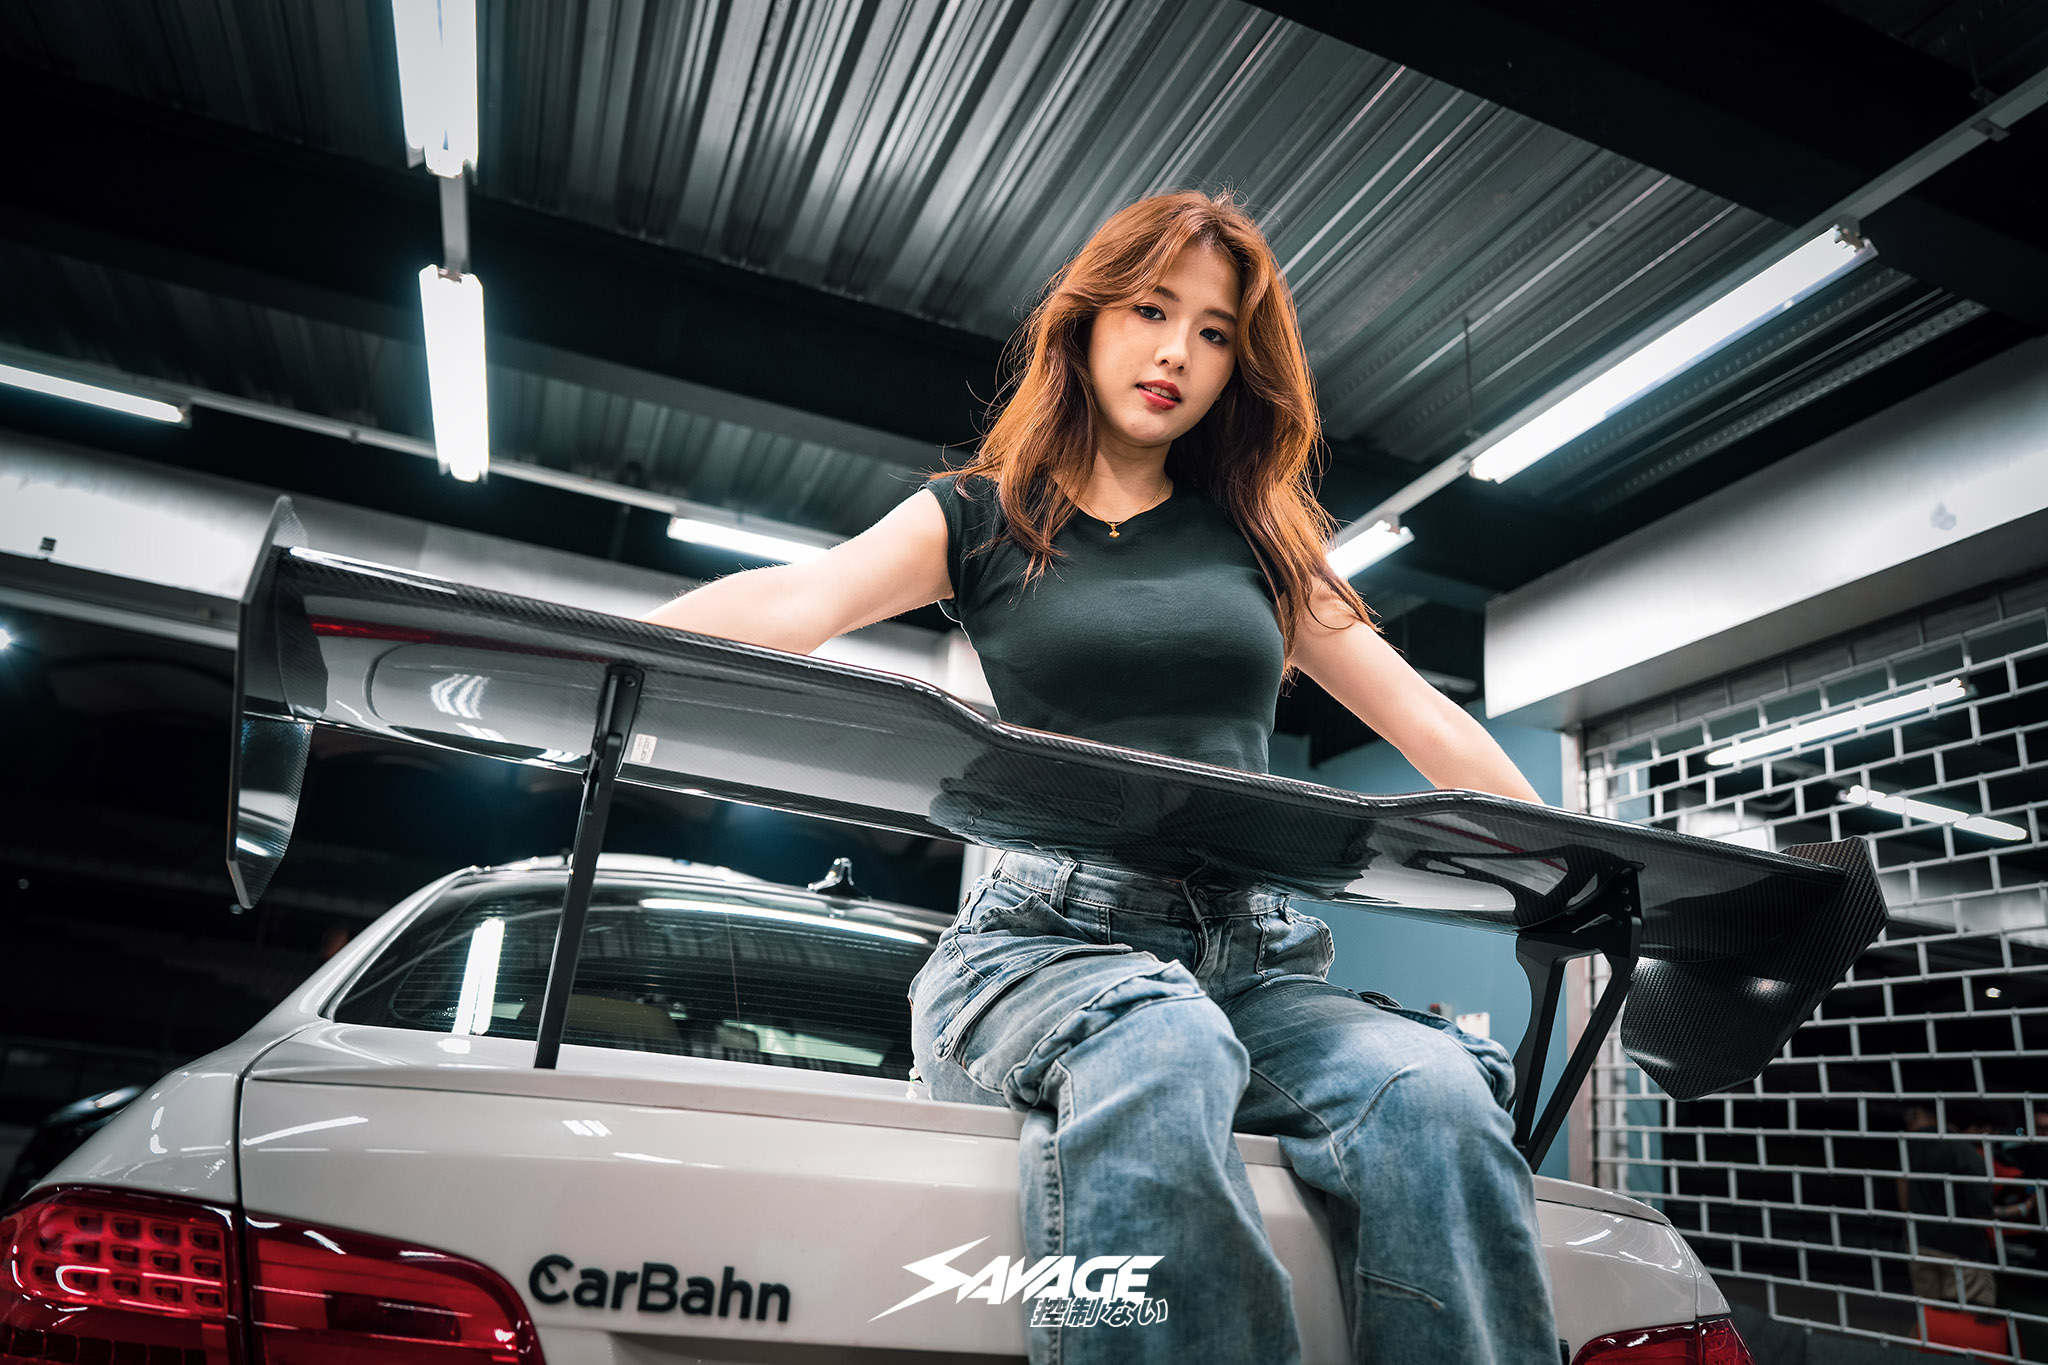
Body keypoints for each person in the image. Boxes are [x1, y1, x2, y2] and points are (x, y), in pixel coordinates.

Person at [643, 190, 1556, 1364]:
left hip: (1251, 961)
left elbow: (1421, 716)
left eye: (1214, 333)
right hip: (1045, 948)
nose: (1177, 353)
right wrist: (565, 650)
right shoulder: (979, 517)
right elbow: (796, 603)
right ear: (1083, 322)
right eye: (1150, 311)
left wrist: (1577, 864)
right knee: (1162, 1042)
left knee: (1432, 1090)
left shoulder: (1259, 543)